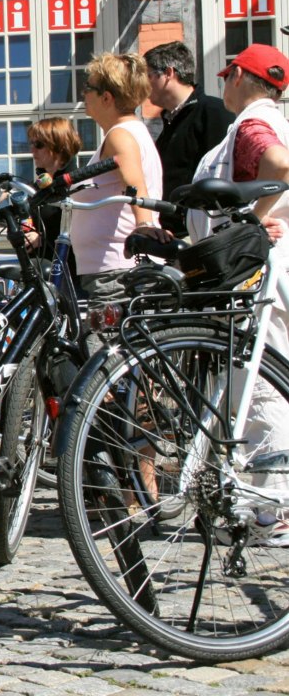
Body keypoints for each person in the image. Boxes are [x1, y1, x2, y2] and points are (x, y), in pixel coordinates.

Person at [189, 42, 289, 542]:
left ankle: (271, 511)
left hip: (260, 276)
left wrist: (254, 222)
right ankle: (262, 504)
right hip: (259, 274)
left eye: (227, 73)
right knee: (253, 385)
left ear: (241, 78)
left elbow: (278, 163)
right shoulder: (255, 119)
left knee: (262, 386)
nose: (222, 82)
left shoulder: (253, 123)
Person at [72, 52, 169, 308]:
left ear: (106, 97)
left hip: (117, 270)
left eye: (88, 87)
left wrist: (144, 223)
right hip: (113, 267)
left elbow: (133, 181)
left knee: (104, 346)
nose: (84, 94)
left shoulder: (121, 136)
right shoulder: (130, 131)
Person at [143, 41, 234, 237]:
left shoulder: (213, 112)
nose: (144, 84)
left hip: (203, 232)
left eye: (148, 75)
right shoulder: (171, 119)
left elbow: (225, 175)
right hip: (175, 232)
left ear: (168, 73)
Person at [24, 117, 83, 279]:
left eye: (39, 145)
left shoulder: (76, 184)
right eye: (31, 143)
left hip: (70, 275)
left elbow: (79, 227)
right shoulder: (42, 184)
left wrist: (42, 238)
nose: (32, 150)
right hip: (42, 272)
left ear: (58, 147)